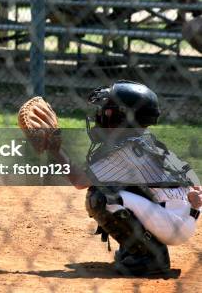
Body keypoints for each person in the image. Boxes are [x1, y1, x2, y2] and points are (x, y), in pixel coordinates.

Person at [42, 81, 201, 276]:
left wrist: (56, 152)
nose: (99, 116)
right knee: (117, 188)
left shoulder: (123, 151)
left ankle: (149, 256)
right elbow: (189, 175)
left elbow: (80, 181)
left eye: (105, 111)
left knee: (100, 197)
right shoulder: (145, 140)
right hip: (181, 217)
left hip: (171, 221)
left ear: (122, 118)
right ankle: (139, 247)